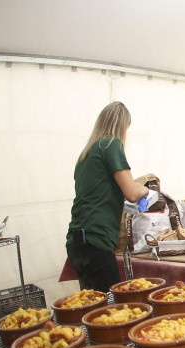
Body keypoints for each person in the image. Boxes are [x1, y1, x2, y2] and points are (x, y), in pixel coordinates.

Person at [66, 102, 155, 291]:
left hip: (76, 242)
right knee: (112, 309)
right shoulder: (110, 144)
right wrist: (144, 190)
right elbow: (131, 192)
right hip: (97, 239)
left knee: (91, 305)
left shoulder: (86, 154)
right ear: (122, 126)